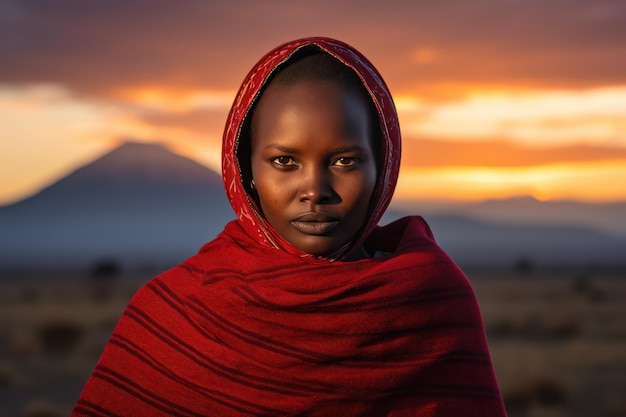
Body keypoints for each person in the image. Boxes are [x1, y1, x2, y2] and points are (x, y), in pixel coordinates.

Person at [71, 37, 507, 416]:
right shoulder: (176, 314)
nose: (315, 189)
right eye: (285, 161)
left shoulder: (431, 303)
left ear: (384, 166)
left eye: (345, 161)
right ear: (246, 171)